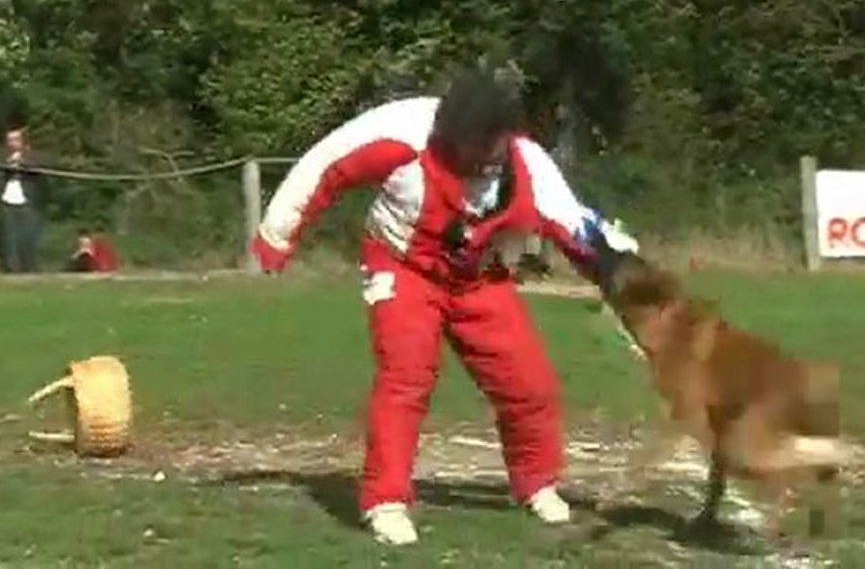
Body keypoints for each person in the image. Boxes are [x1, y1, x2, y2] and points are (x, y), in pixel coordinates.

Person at [250, 64, 640, 546]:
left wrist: (628, 277)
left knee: (529, 382)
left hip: (480, 281)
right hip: (402, 269)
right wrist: (277, 236)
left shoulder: (528, 166)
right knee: (406, 377)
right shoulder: (399, 133)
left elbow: (578, 229)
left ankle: (536, 483)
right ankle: (385, 501)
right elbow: (323, 167)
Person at [0, 127, 47, 273]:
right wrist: (8, 163)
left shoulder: (33, 155)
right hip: (8, 200)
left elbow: (39, 167)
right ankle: (12, 269)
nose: (12, 143)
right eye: (9, 140)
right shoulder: (3, 156)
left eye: (16, 139)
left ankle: (30, 268)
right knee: (9, 237)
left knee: (28, 236)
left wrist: (22, 161)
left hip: (28, 201)